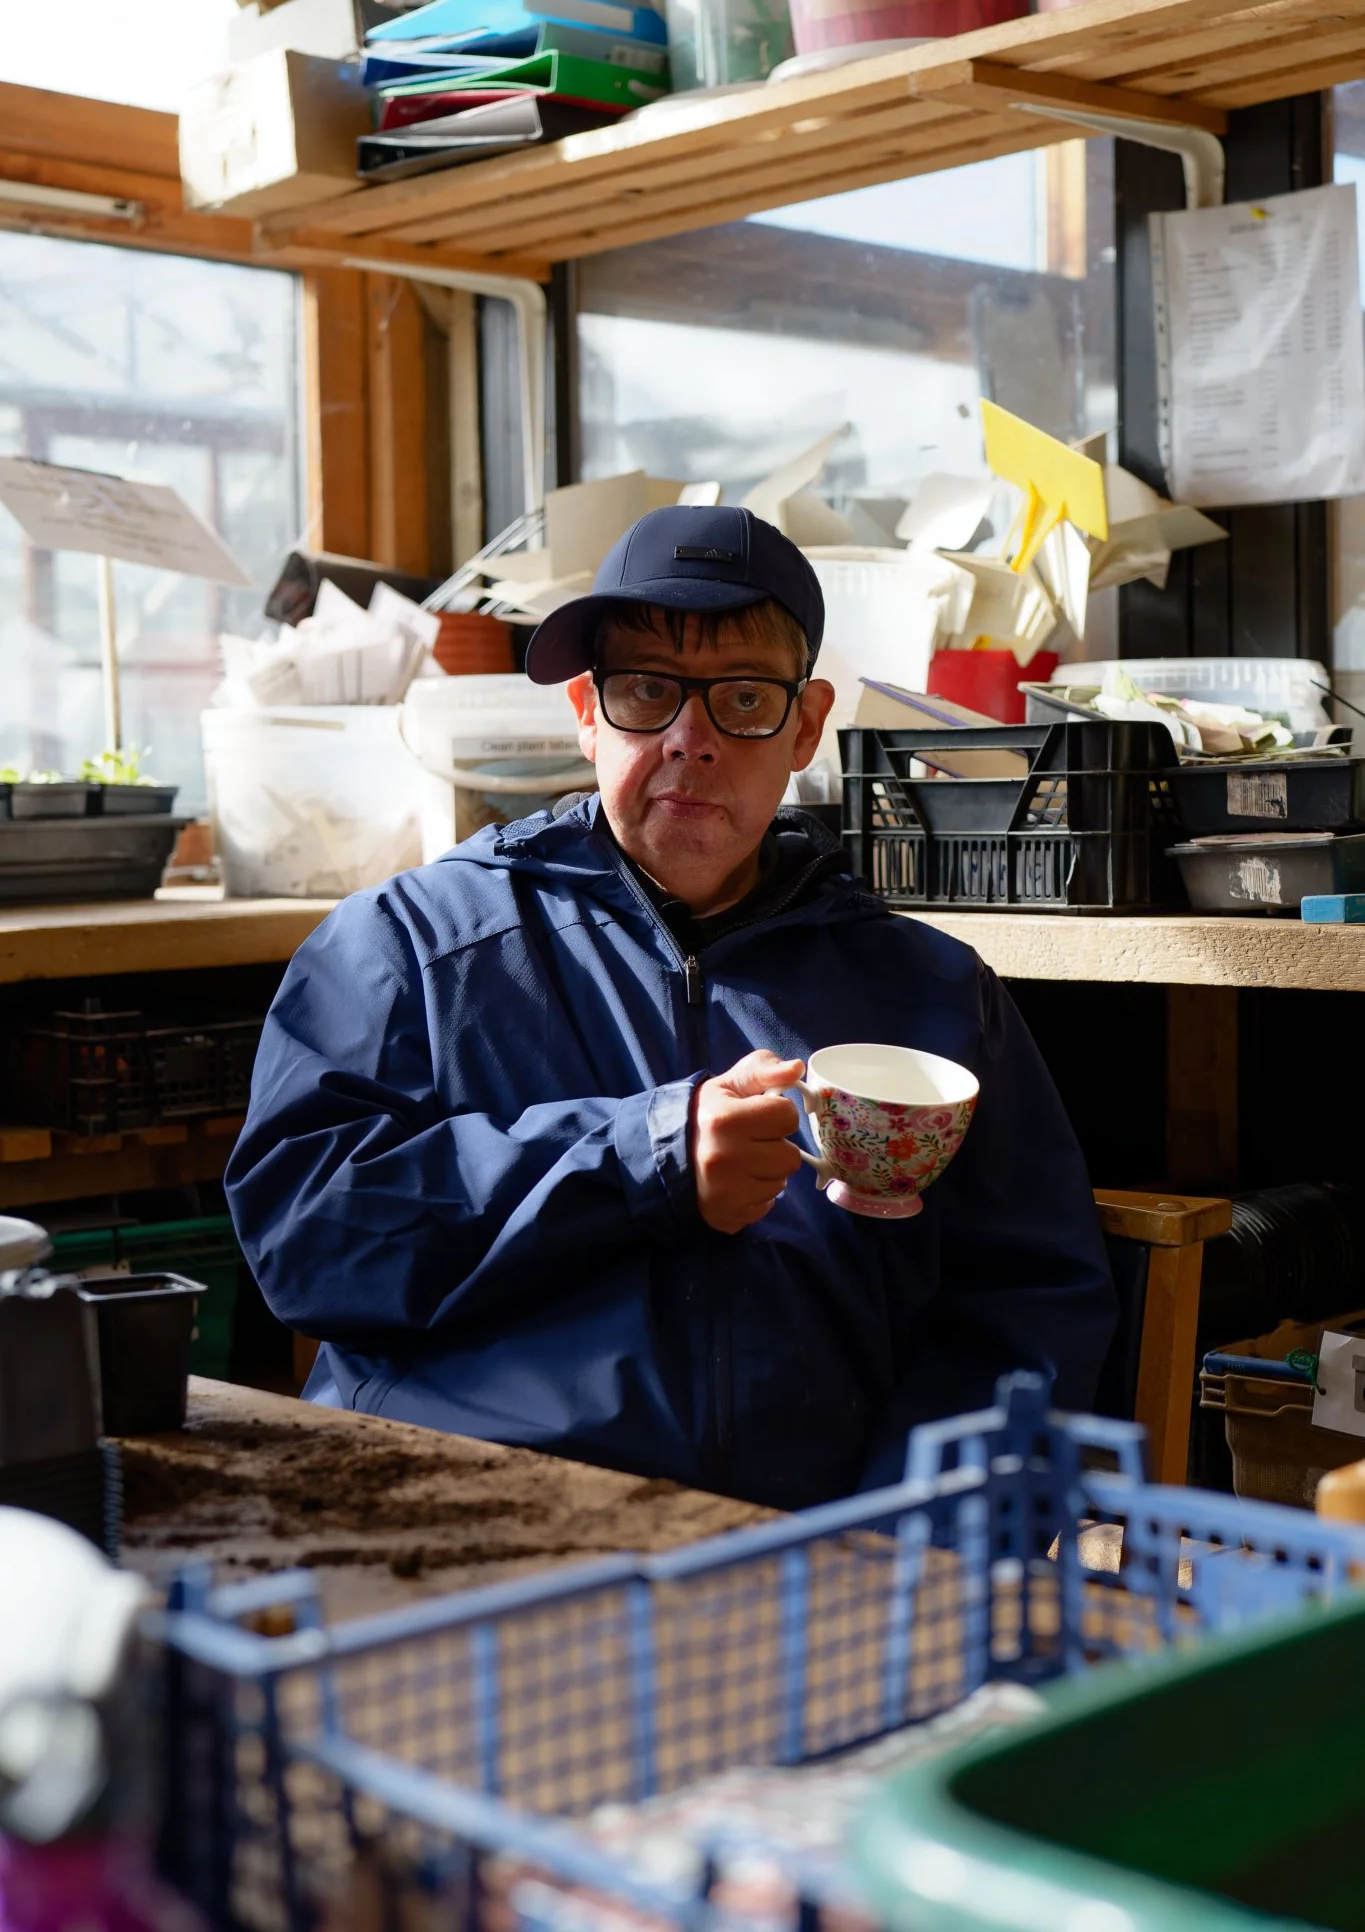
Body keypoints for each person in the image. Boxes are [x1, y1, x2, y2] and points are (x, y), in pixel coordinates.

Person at [227, 504, 1116, 1509]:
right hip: (462, 1535)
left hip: (806, 1559)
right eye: (647, 691)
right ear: (585, 711)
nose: (691, 739)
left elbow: (1028, 1307)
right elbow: (305, 1238)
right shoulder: (412, 945)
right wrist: (643, 1155)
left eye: (742, 697)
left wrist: (919, 1540)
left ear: (807, 725)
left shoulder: (927, 994)